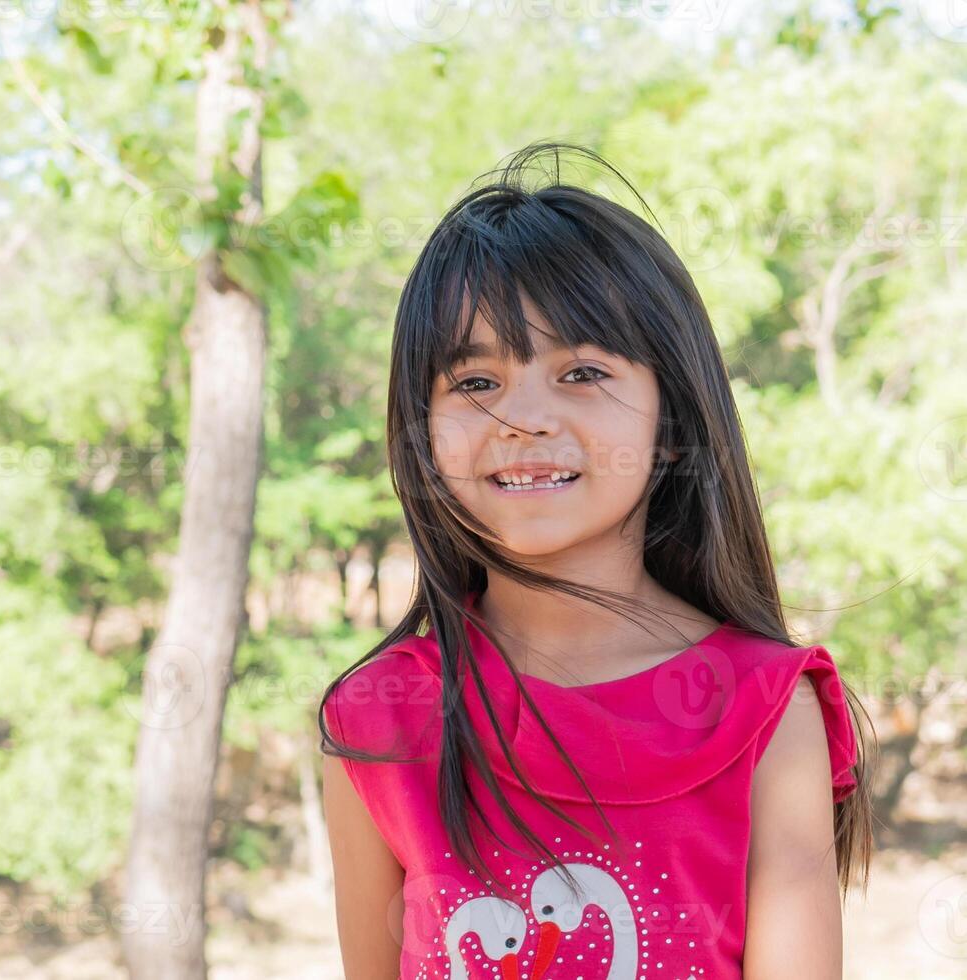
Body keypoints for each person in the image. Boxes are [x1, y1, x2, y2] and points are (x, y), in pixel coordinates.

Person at [318, 141, 875, 980]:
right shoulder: (378, 721)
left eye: (581, 370)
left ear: (673, 411)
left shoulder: (766, 712)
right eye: (475, 382)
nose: (524, 417)